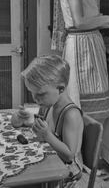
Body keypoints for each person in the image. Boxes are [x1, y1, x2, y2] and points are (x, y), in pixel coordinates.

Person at [21, 55, 84, 185]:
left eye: (40, 94)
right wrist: (28, 119)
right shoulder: (51, 104)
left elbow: (69, 156)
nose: (35, 99)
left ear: (60, 88)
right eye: (32, 93)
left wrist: (47, 135)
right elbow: (46, 127)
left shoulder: (70, 114)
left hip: (65, 175)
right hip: (52, 163)